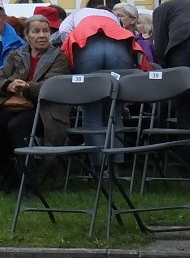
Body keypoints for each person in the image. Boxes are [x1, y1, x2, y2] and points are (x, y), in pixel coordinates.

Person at [0, 14, 70, 191]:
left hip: (45, 110)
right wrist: (8, 84)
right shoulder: (16, 54)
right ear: (26, 36)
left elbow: (53, 85)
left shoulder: (59, 57)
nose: (42, 35)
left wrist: (27, 86)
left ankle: (29, 182)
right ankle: (8, 174)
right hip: (15, 105)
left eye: (45, 31)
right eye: (36, 31)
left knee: (17, 126)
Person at [59, 15, 149, 164]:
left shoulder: (74, 16)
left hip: (84, 40)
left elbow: (63, 33)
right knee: (114, 109)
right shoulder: (113, 18)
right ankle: (117, 165)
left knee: (91, 108)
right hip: (118, 40)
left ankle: (99, 166)